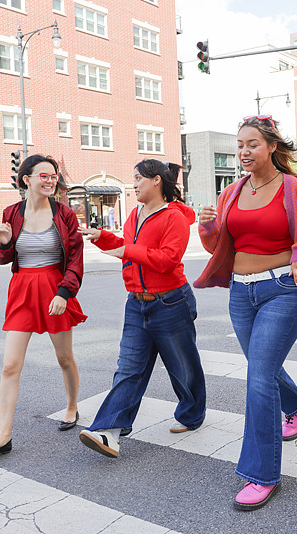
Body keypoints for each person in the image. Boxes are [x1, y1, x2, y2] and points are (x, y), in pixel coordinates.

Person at [195, 116, 297, 511]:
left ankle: (262, 474)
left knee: (257, 379)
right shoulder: (231, 193)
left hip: (282, 289)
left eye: (252, 144)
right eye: (239, 145)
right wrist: (207, 228)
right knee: (262, 367)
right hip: (241, 292)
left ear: (271, 146)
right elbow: (220, 246)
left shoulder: (296, 189)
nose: (243, 152)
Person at [78, 159, 206, 458]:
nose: (133, 184)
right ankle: (108, 431)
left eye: (138, 178)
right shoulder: (135, 213)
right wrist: (103, 238)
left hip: (171, 302)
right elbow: (127, 245)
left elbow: (167, 259)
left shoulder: (173, 217)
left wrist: (126, 250)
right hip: (136, 303)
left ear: (157, 180)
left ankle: (192, 414)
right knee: (129, 368)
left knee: (182, 367)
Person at [0, 154, 87, 457]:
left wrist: (64, 293)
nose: (50, 180)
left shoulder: (64, 214)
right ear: (27, 180)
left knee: (64, 358)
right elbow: (4, 259)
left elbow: (75, 258)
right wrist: (3, 244)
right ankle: (3, 435)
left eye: (53, 176)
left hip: (55, 288)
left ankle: (72, 405)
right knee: (10, 365)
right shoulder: (12, 212)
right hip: (22, 289)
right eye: (43, 175)